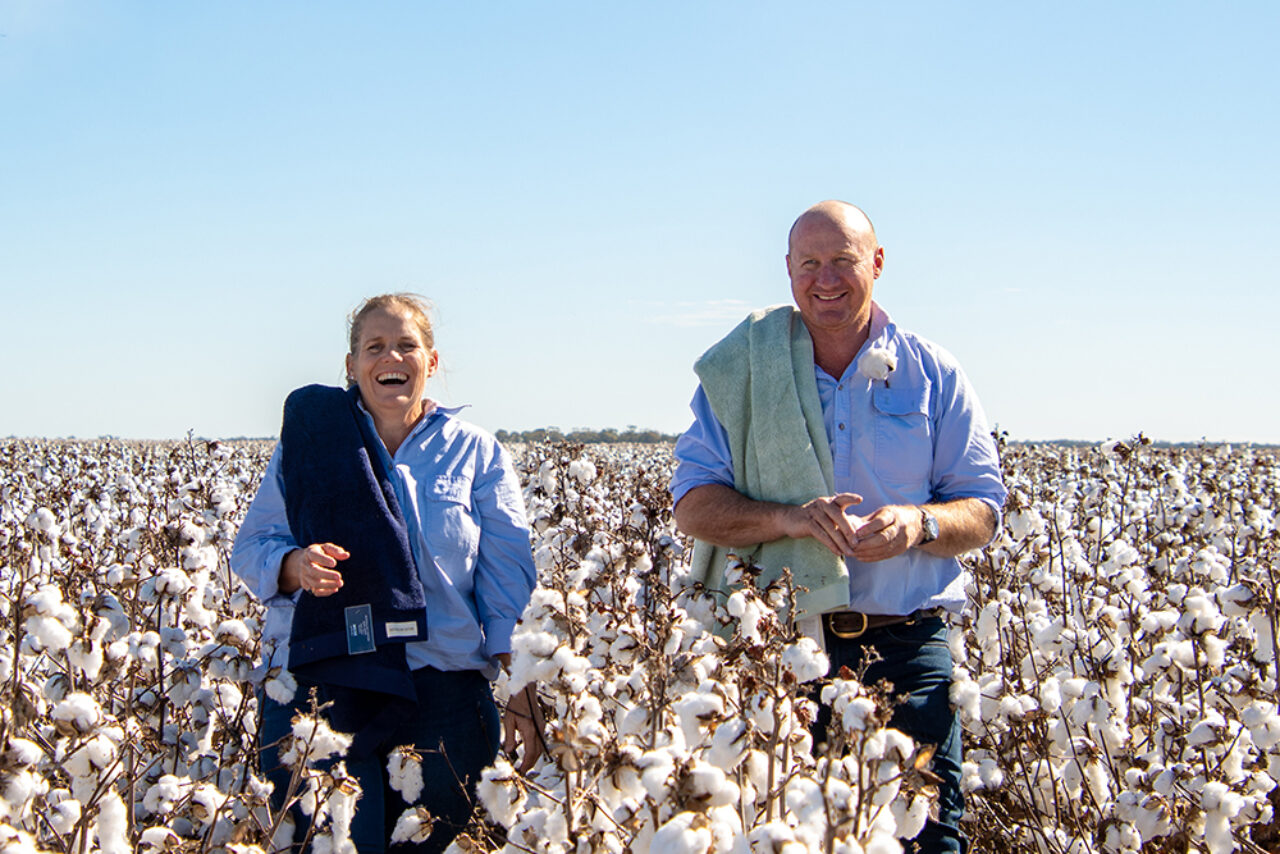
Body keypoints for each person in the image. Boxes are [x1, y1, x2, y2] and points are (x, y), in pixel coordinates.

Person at [670, 201, 1006, 853]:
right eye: (810, 264)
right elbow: (693, 505)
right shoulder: (744, 375)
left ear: (877, 264)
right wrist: (786, 519)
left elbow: (983, 509)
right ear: (789, 272)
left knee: (929, 836)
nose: (826, 279)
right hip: (781, 650)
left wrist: (920, 524)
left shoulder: (931, 372)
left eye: (843, 261)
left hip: (908, 649)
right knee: (783, 833)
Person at [232, 293, 541, 853]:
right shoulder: (309, 444)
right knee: (320, 841)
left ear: (432, 361)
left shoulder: (476, 453)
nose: (390, 358)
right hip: (320, 679)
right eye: (374, 347)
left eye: (406, 345)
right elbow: (252, 547)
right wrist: (295, 567)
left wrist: (517, 680)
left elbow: (507, 577)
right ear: (351, 366)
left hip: (440, 686)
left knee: (422, 843)